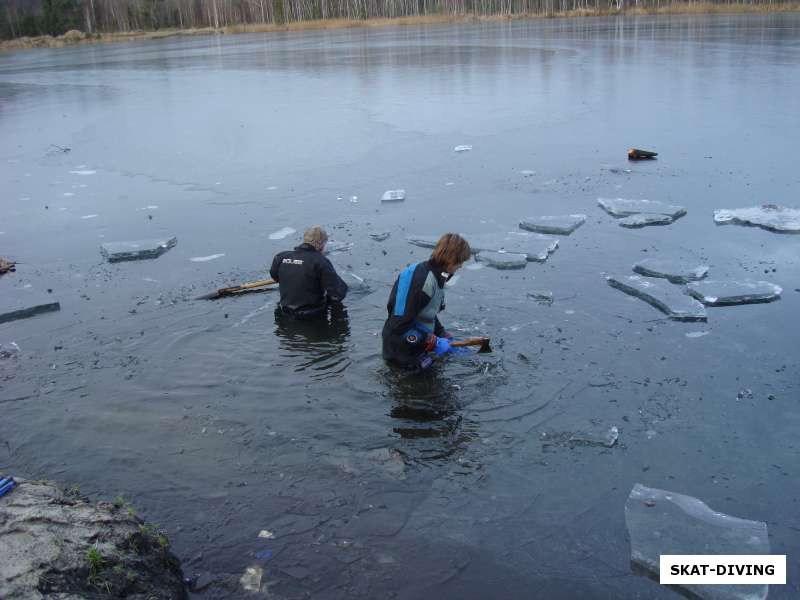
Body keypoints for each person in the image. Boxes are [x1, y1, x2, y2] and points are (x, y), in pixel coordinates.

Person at [382, 233, 471, 370]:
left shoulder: (438, 275)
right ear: (451, 259)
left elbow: (426, 312)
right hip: (401, 350)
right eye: (460, 262)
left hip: (416, 344)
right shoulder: (422, 281)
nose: (461, 266)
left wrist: (442, 334)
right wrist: (433, 341)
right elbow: (398, 325)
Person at [269, 226, 348, 319]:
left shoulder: (281, 257)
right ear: (322, 245)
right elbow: (337, 295)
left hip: (286, 310)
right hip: (312, 314)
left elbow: (275, 276)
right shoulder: (320, 261)